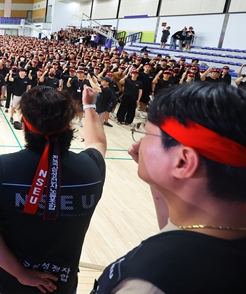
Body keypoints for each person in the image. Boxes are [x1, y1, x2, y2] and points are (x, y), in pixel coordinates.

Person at [93, 82, 246, 294]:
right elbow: (176, 229)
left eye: (147, 134)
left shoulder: (146, 286)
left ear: (183, 162)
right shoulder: (224, 231)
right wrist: (159, 179)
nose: (138, 144)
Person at [0, 80, 107, 294]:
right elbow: (98, 143)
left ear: (25, 125)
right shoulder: (91, 170)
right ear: (70, 126)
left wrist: (21, 273)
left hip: (7, 283)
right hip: (61, 284)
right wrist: (89, 106)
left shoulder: (2, 169)